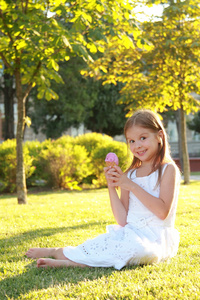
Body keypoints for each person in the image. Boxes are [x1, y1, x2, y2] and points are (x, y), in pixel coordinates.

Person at [26, 109, 180, 270]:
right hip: (130, 234)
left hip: (156, 239)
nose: (137, 145)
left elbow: (163, 212)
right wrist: (112, 186)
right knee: (101, 244)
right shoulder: (130, 174)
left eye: (143, 138)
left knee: (142, 251)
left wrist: (130, 185)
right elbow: (122, 220)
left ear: (159, 136)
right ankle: (59, 252)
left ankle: (69, 263)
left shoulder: (168, 169)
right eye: (131, 141)